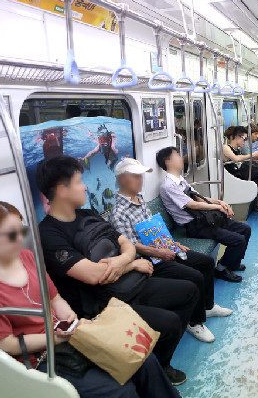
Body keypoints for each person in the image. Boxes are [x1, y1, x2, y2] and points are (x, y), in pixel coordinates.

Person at [0, 201, 180, 398]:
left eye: (22, 231)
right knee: (118, 391)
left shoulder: (27, 258)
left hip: (66, 337)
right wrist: (59, 338)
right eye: (12, 235)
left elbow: (55, 299)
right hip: (39, 358)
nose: (20, 239)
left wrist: (71, 321)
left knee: (141, 357)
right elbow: (8, 344)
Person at [36, 155, 197, 385]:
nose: (85, 187)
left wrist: (122, 262)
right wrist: (131, 263)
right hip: (100, 304)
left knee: (189, 291)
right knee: (169, 322)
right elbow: (93, 275)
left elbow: (126, 243)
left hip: (127, 283)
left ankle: (157, 359)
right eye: (79, 182)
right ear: (62, 190)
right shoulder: (49, 234)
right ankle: (152, 369)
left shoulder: (88, 215)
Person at [109, 158, 233, 343]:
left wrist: (172, 243)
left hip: (163, 248)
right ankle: (194, 322)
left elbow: (154, 229)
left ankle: (207, 306)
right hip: (149, 259)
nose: (141, 180)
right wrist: (160, 253)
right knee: (194, 276)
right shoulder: (118, 212)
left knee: (206, 263)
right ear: (123, 179)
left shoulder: (139, 199)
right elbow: (131, 245)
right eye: (136, 176)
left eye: (141, 176)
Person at [157, 146, 251, 283]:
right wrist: (218, 208)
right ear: (168, 161)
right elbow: (192, 204)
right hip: (194, 225)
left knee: (245, 229)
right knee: (238, 240)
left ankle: (233, 263)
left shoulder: (180, 180)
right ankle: (221, 269)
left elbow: (199, 198)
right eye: (177, 155)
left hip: (204, 219)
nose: (181, 157)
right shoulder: (168, 186)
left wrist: (220, 202)